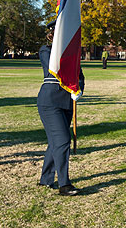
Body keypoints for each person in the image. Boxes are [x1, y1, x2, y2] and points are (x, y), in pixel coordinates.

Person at [37, 20, 84, 196]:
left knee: (55, 142)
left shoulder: (74, 54)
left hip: (66, 101)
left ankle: (46, 178)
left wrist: (79, 88)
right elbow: (54, 67)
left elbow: (79, 75)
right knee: (63, 140)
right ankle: (64, 184)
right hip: (50, 102)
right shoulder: (46, 50)